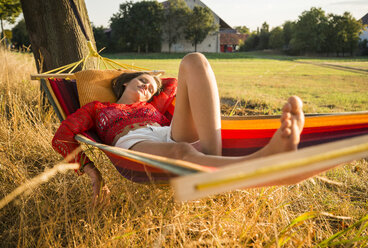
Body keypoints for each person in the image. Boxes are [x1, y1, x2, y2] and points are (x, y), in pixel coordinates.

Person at [52, 52, 305, 205]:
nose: (148, 89)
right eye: (141, 81)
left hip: (166, 132)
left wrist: (153, 82)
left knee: (195, 60)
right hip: (133, 143)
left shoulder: (156, 105)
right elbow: (62, 137)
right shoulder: (97, 108)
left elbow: (173, 83)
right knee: (182, 150)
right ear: (125, 81)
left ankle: (210, 160)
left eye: (152, 88)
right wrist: (92, 172)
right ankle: (257, 164)